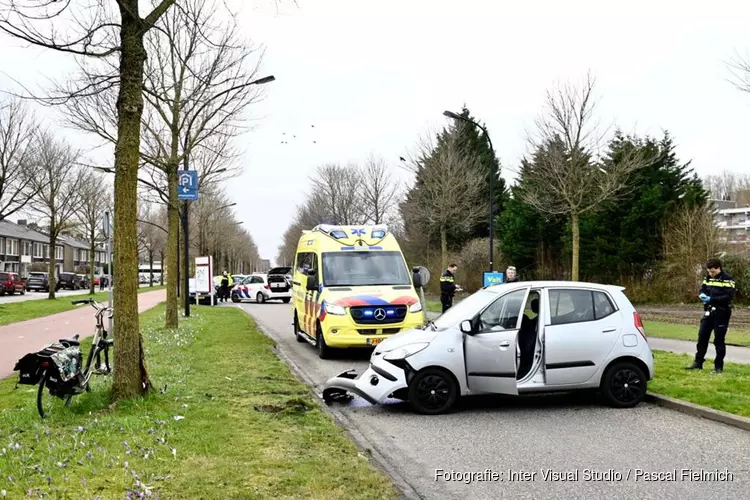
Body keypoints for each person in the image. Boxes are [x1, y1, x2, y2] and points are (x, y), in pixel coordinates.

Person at [686, 258, 736, 374]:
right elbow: (702, 289)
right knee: (702, 337)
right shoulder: (707, 278)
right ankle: (698, 363)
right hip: (708, 312)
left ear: (719, 268)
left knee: (718, 340)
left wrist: (711, 299)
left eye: (713, 272)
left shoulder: (728, 279)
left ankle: (718, 367)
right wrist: (702, 295)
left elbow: (728, 297)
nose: (710, 274)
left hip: (721, 312)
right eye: (709, 271)